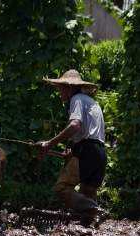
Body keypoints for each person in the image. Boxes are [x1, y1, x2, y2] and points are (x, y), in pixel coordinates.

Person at [35, 69, 107, 224]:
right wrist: (72, 150)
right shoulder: (91, 102)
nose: (59, 93)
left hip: (87, 150)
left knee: (62, 188)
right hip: (100, 153)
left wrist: (50, 143)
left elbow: (75, 125)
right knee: (87, 193)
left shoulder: (77, 100)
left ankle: (95, 209)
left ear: (69, 88)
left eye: (60, 89)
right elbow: (89, 132)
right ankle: (91, 225)